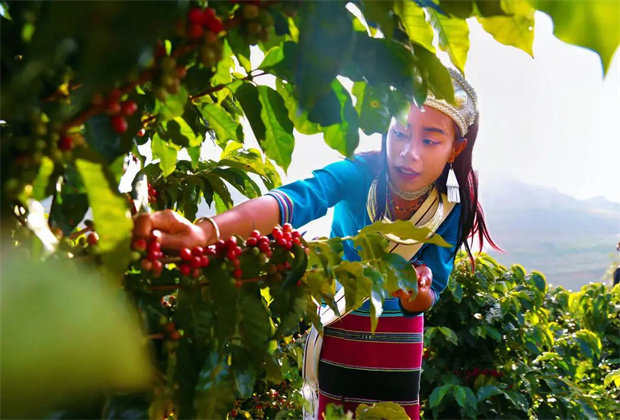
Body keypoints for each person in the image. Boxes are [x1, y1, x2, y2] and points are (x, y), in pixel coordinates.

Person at [133, 68, 498, 419]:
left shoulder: (451, 205)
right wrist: (206, 232)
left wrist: (416, 293)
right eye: (400, 133)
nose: (409, 152)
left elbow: (430, 290)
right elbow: (293, 200)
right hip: (340, 328)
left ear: (455, 149)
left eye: (430, 140)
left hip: (398, 350)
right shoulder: (358, 175)